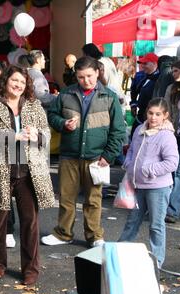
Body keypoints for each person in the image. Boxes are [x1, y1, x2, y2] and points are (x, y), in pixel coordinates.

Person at [0, 65, 55, 285]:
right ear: (5, 81)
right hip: (0, 169)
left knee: (30, 223)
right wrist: (15, 137)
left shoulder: (33, 104)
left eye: (22, 82)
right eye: (15, 81)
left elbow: (47, 135)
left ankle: (30, 269)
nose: (18, 85)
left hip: (28, 171)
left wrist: (36, 135)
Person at [41, 56, 126, 247]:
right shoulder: (66, 94)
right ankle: (63, 233)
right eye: (80, 77)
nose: (85, 81)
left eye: (89, 76)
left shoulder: (109, 98)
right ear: (76, 76)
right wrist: (63, 124)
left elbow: (118, 130)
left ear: (97, 72)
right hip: (69, 155)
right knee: (66, 197)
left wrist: (108, 156)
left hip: (96, 157)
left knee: (94, 200)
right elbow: (52, 115)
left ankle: (95, 235)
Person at [118, 98, 179, 267]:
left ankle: (157, 262)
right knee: (132, 221)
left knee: (156, 225)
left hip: (158, 188)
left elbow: (172, 162)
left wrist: (148, 169)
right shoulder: (139, 129)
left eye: (158, 114)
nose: (153, 118)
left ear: (165, 115)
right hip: (137, 185)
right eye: (151, 113)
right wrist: (129, 165)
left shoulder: (167, 136)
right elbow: (131, 151)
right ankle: (118, 253)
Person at [165, 54, 180, 223]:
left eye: (177, 70)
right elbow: (172, 112)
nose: (176, 73)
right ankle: (172, 210)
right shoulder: (175, 88)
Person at [130, 53, 160, 138]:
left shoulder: (160, 78)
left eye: (145, 63)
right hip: (140, 115)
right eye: (142, 63)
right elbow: (133, 90)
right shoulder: (140, 75)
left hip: (152, 117)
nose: (142, 66)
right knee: (134, 136)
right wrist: (133, 104)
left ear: (154, 64)